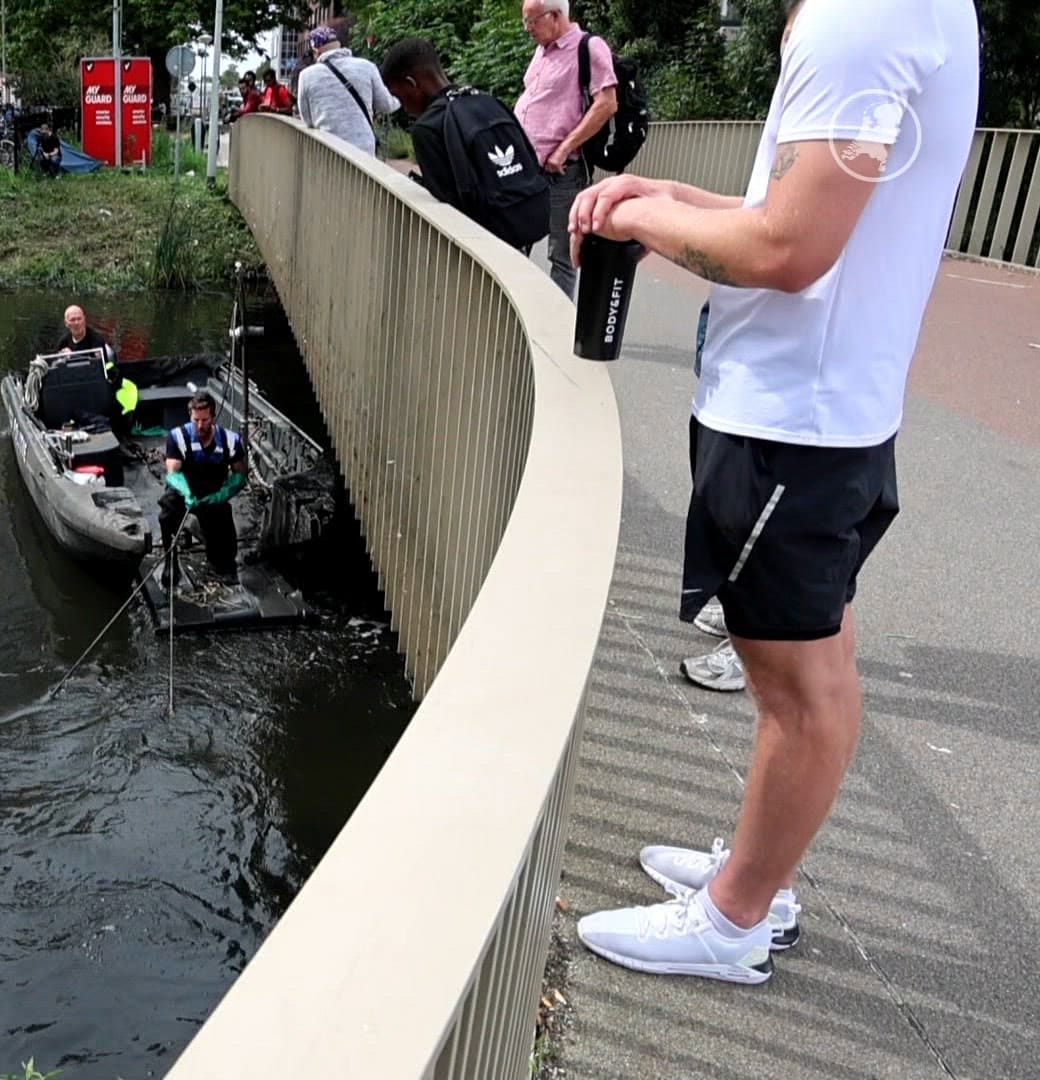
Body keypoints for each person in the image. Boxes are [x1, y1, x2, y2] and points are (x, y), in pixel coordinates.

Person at [569, 0, 979, 985]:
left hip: (794, 424)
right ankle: (756, 874)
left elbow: (788, 253)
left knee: (799, 691)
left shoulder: (863, 16)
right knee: (809, 666)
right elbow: (790, 209)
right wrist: (667, 189)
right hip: (816, 413)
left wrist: (637, 218)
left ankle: (736, 918)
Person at [380, 37, 549, 252]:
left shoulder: (427, 128)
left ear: (412, 83)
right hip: (524, 221)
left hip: (482, 244)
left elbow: (448, 208)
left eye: (399, 96)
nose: (403, 107)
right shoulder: (486, 101)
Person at [514, 0, 617, 295]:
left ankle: (556, 331)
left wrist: (563, 149)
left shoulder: (589, 47)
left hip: (561, 171)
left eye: (532, 21)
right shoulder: (541, 51)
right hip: (526, 167)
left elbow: (607, 103)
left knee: (561, 256)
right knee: (515, 243)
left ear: (555, 16)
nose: (528, 29)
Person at [161, 391, 247, 586]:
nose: (200, 425)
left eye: (205, 420)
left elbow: (240, 475)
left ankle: (222, 564)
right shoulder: (177, 437)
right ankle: (170, 561)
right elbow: (173, 472)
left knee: (223, 522)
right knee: (167, 513)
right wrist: (186, 492)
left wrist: (222, 495)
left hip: (212, 492)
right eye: (196, 420)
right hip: (185, 490)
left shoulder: (230, 441)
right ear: (190, 416)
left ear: (213, 417)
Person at [295, 25, 399, 156]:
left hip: (327, 150)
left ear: (316, 50)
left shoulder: (306, 75)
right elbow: (387, 105)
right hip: (363, 150)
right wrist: (400, 98)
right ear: (338, 45)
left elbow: (307, 120)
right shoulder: (367, 67)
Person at [54, 305, 138, 438]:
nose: (76, 323)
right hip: (70, 386)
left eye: (79, 319)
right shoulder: (63, 342)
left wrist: (73, 356)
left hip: (94, 386)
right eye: (72, 320)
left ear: (84, 320)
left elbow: (98, 369)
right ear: (66, 323)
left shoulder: (96, 340)